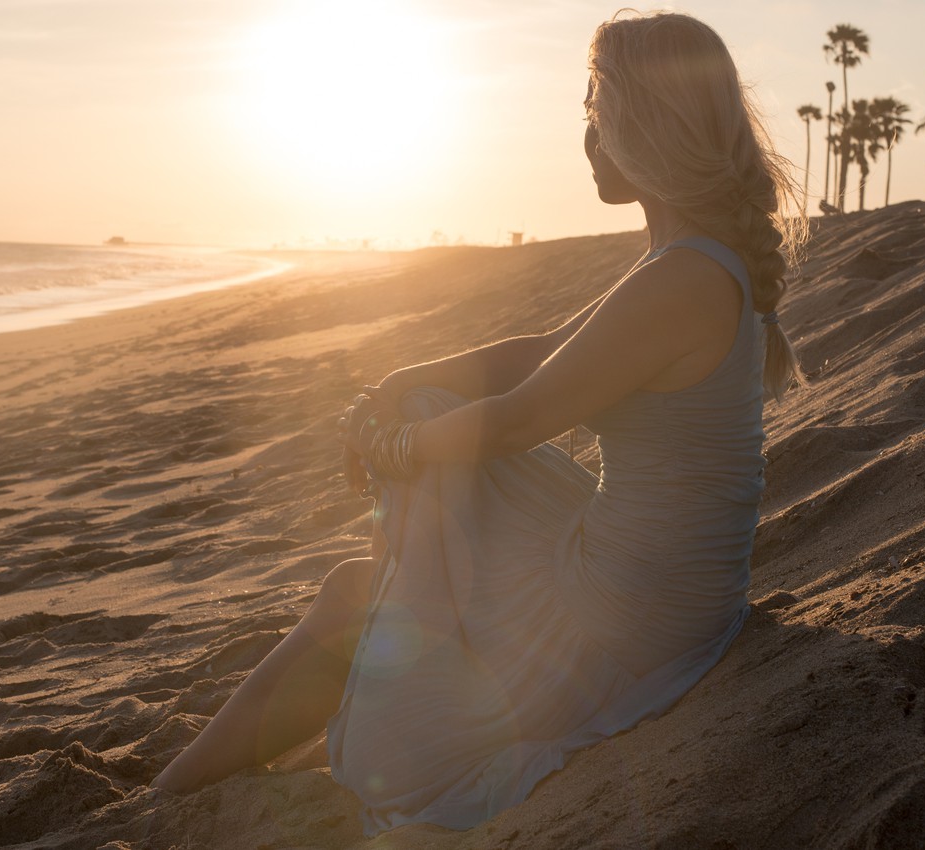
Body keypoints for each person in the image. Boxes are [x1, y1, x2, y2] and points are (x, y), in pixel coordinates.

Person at [153, 9, 806, 835]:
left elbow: (514, 422)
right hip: (642, 578)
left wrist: (391, 442)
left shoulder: (683, 280)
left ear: (642, 123)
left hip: (629, 617)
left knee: (359, 595)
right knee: (378, 539)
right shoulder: (685, 261)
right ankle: (370, 644)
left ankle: (169, 801)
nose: (586, 136)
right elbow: (544, 349)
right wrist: (402, 384)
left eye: (594, 111)